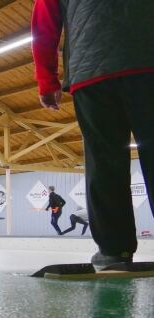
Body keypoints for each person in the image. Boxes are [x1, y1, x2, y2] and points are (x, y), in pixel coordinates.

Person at [32, 0, 154, 268]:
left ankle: (114, 251)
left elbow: (44, 22)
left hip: (92, 70)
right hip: (146, 60)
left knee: (104, 162)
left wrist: (47, 79)